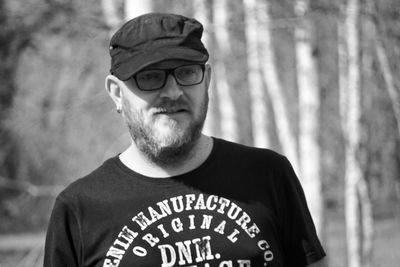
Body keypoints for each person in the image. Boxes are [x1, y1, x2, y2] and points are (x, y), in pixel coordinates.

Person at [44, 12, 327, 267]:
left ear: (207, 81)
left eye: (187, 72)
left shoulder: (268, 175)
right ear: (117, 93)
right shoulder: (80, 209)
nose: (173, 92)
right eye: (150, 77)